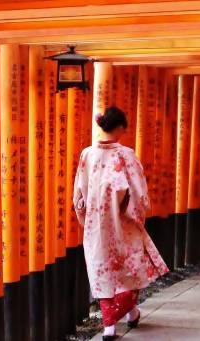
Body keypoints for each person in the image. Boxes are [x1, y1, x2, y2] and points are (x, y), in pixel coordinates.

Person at [73, 106, 169, 340]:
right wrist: (136, 211)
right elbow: (138, 191)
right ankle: (117, 319)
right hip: (122, 223)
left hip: (96, 225)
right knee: (129, 268)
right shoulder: (126, 155)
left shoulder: (87, 154)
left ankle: (118, 322)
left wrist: (86, 216)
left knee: (101, 269)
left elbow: (80, 195)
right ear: (120, 127)